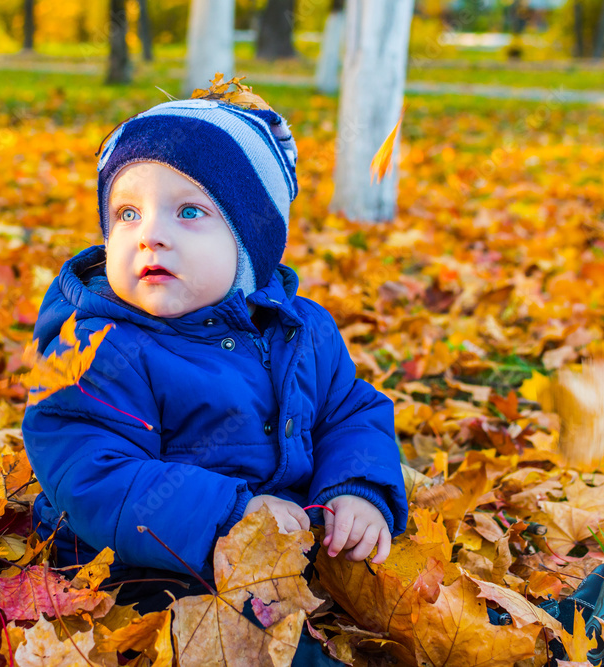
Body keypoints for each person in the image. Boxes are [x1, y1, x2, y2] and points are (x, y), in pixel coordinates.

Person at [21, 95, 410, 663]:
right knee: (239, 633)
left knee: (390, 583)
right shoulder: (96, 346)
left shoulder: (302, 329)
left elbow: (349, 413)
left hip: (289, 538)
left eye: (188, 212)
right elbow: (93, 473)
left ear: (251, 243)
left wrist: (357, 489)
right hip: (142, 558)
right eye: (128, 214)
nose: (150, 235)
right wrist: (230, 515)